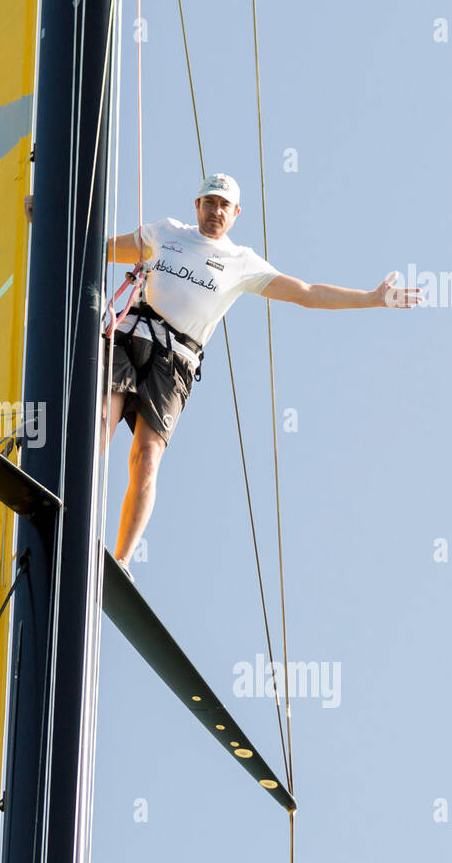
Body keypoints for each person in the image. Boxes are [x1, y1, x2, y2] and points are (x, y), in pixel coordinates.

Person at [104, 173, 422, 579]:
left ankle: (123, 561)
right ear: (196, 206)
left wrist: (371, 299)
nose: (215, 211)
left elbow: (306, 292)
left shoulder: (241, 262)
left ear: (236, 214)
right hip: (130, 336)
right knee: (101, 420)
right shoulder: (164, 232)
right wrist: (50, 217)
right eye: (209, 202)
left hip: (176, 363)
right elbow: (102, 247)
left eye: (224, 205)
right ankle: (69, 495)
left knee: (146, 457)